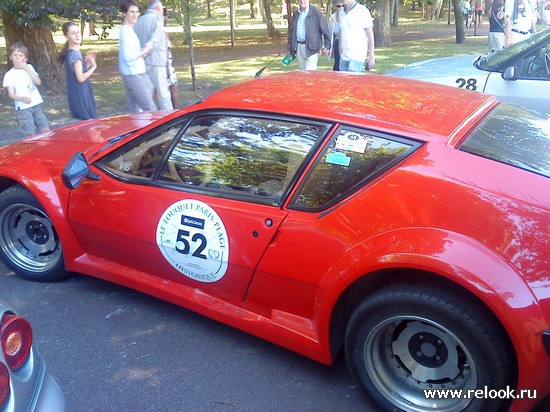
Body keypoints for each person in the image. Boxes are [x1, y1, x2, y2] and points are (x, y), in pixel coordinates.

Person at [3, 42, 50, 136]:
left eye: (20, 55)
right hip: (23, 107)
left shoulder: (29, 67)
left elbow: (38, 82)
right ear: (10, 57)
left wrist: (26, 68)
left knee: (45, 129)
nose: (17, 57)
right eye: (15, 55)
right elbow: (11, 93)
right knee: (30, 133)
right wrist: (21, 98)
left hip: (36, 104)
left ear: (25, 59)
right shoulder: (9, 75)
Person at [119, 0, 157, 113]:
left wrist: (144, 49)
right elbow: (128, 57)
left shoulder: (130, 30)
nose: (135, 15)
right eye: (131, 12)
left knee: (132, 109)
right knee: (150, 108)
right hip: (132, 74)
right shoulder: (125, 32)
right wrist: (145, 51)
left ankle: (128, 130)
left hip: (134, 72)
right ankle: (159, 130)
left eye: (137, 11)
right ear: (124, 14)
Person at [134, 0, 173, 110]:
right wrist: (147, 50)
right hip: (157, 61)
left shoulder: (139, 20)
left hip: (142, 61)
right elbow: (155, 39)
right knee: (163, 93)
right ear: (158, 9)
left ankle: (141, 119)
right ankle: (169, 119)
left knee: (146, 93)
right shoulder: (158, 19)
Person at [58, 22, 97, 120]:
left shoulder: (74, 52)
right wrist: (94, 67)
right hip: (80, 96)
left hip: (79, 94)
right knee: (88, 125)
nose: (77, 35)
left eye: (78, 32)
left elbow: (79, 71)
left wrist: (88, 63)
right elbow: (80, 78)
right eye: (72, 33)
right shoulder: (74, 54)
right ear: (66, 36)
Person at [287, 0, 331, 70]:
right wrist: (289, 48)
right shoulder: (296, 14)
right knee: (302, 72)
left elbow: (325, 29)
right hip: (299, 47)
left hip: (312, 47)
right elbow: (291, 32)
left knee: (309, 72)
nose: (302, 1)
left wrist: (327, 46)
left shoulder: (315, 12)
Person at [338, 0, 375, 72]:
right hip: (344, 55)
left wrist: (371, 55)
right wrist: (340, 46)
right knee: (343, 81)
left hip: (357, 55)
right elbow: (341, 31)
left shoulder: (362, 11)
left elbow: (370, 34)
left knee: (352, 80)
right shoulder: (341, 13)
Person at [328, 0, 344, 71]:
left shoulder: (348, 17)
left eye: (343, 6)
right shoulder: (333, 19)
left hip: (346, 43)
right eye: (339, 6)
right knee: (337, 63)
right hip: (336, 44)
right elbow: (329, 33)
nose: (341, 8)